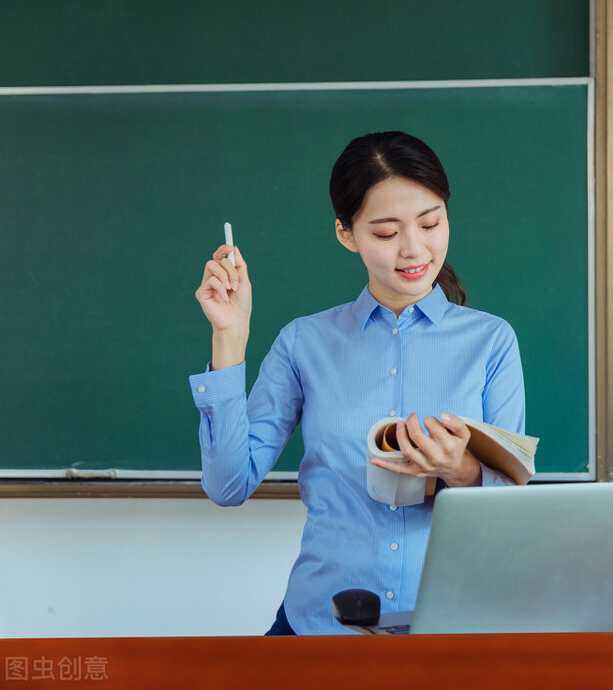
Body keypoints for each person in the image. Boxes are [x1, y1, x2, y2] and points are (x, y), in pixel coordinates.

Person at [189, 131, 526, 635]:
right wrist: (230, 338)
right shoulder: (304, 343)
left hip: (451, 629)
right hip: (321, 628)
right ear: (347, 234)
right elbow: (229, 485)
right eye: (386, 233)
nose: (415, 249)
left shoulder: (491, 341)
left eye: (431, 223)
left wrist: (461, 470)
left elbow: (512, 512)